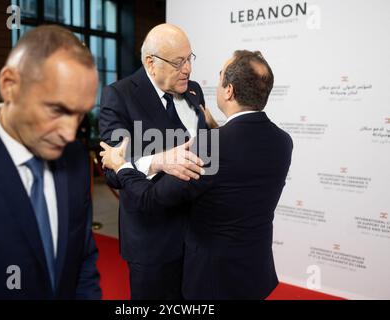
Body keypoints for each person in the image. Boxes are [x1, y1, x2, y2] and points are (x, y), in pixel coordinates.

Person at [100, 50, 293, 299]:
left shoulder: (210, 144)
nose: (188, 69)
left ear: (229, 91)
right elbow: (239, 165)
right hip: (255, 271)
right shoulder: (283, 141)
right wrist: (220, 132)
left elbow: (149, 198)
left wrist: (121, 166)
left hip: (212, 278)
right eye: (179, 60)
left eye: (221, 75)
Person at [0, 25, 101, 299]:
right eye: (57, 110)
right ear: (9, 85)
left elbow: (82, 260)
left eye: (80, 115)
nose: (70, 133)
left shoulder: (74, 157)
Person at [99, 23, 211, 299]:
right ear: (151, 62)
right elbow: (113, 170)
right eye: (178, 62)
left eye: (189, 59)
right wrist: (158, 161)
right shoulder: (119, 95)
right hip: (153, 240)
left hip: (198, 235)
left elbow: (207, 150)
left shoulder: (194, 90)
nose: (188, 69)